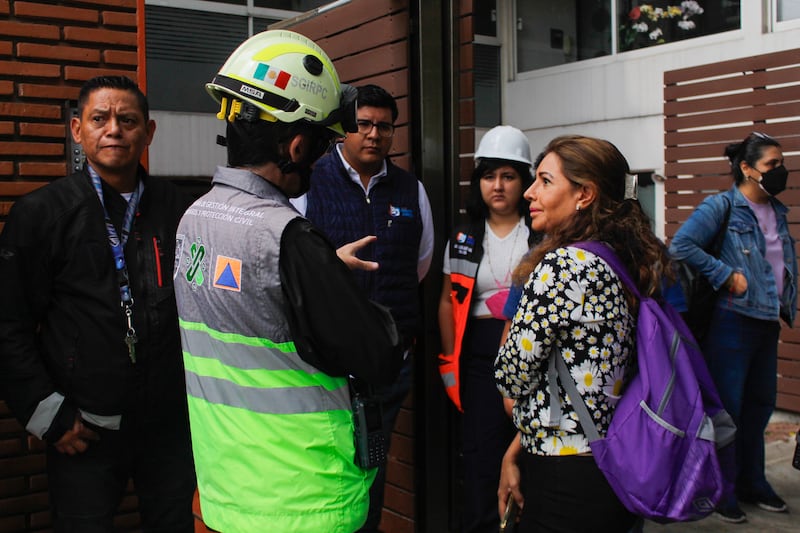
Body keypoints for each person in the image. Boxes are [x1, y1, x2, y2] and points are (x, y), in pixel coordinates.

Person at [172, 30, 405, 533]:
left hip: (228, 489)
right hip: (304, 498)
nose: (320, 157)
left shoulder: (195, 217)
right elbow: (376, 353)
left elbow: (248, 312)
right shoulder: (287, 237)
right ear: (296, 145)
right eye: (321, 143)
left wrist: (315, 276)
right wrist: (325, 280)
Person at [0, 75, 195, 532]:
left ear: (147, 133)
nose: (114, 130)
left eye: (128, 121)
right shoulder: (42, 214)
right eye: (100, 119)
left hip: (169, 429)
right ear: (77, 130)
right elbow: (7, 324)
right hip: (82, 428)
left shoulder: (181, 208)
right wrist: (48, 415)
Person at [494, 135, 670, 532]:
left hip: (563, 472)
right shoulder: (622, 258)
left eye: (545, 181)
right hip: (614, 462)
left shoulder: (563, 266)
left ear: (584, 194)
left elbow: (510, 373)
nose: (529, 192)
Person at [292, 83, 434, 532]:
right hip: (324, 366)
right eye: (364, 125)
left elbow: (421, 264)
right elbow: (289, 269)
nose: (374, 135)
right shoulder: (309, 182)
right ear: (344, 130)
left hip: (388, 365)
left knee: (372, 467)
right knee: (325, 470)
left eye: (385, 127)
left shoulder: (411, 190)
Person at [669, 131, 796, 523]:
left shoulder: (777, 211)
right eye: (771, 165)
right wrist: (725, 274)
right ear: (746, 168)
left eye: (781, 163)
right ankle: (722, 490)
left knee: (760, 408)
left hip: (766, 320)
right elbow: (680, 245)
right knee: (728, 412)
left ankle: (753, 482)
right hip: (732, 322)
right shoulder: (722, 206)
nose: (780, 171)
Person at [437, 125, 538, 532]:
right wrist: (447, 360)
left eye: (508, 176)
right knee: (481, 455)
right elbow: (447, 301)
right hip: (478, 356)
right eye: (488, 176)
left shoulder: (543, 233)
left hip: (531, 350)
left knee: (529, 450)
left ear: (524, 182)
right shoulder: (463, 238)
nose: (497, 186)